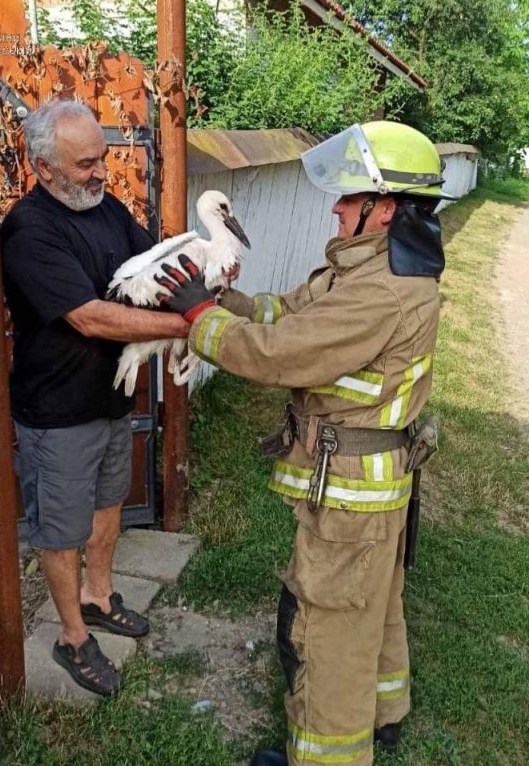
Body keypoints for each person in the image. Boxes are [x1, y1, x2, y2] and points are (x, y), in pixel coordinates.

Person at [156, 121, 455, 766]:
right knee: (373, 608)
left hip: (351, 498)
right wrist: (219, 295)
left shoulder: (379, 292)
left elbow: (280, 352)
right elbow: (283, 315)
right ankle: (384, 716)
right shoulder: (364, 269)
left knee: (328, 628)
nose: (336, 206)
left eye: (350, 198)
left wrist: (198, 321)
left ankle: (328, 755)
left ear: (386, 209)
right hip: (371, 492)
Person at [0, 100, 190, 695]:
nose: (103, 173)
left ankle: (99, 594)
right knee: (59, 528)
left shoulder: (105, 207)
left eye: (103, 158)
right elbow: (89, 318)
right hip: (57, 411)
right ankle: (73, 636)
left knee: (110, 501)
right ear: (44, 168)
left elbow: (154, 262)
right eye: (86, 164)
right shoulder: (30, 230)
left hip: (109, 399)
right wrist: (190, 326)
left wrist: (202, 279)